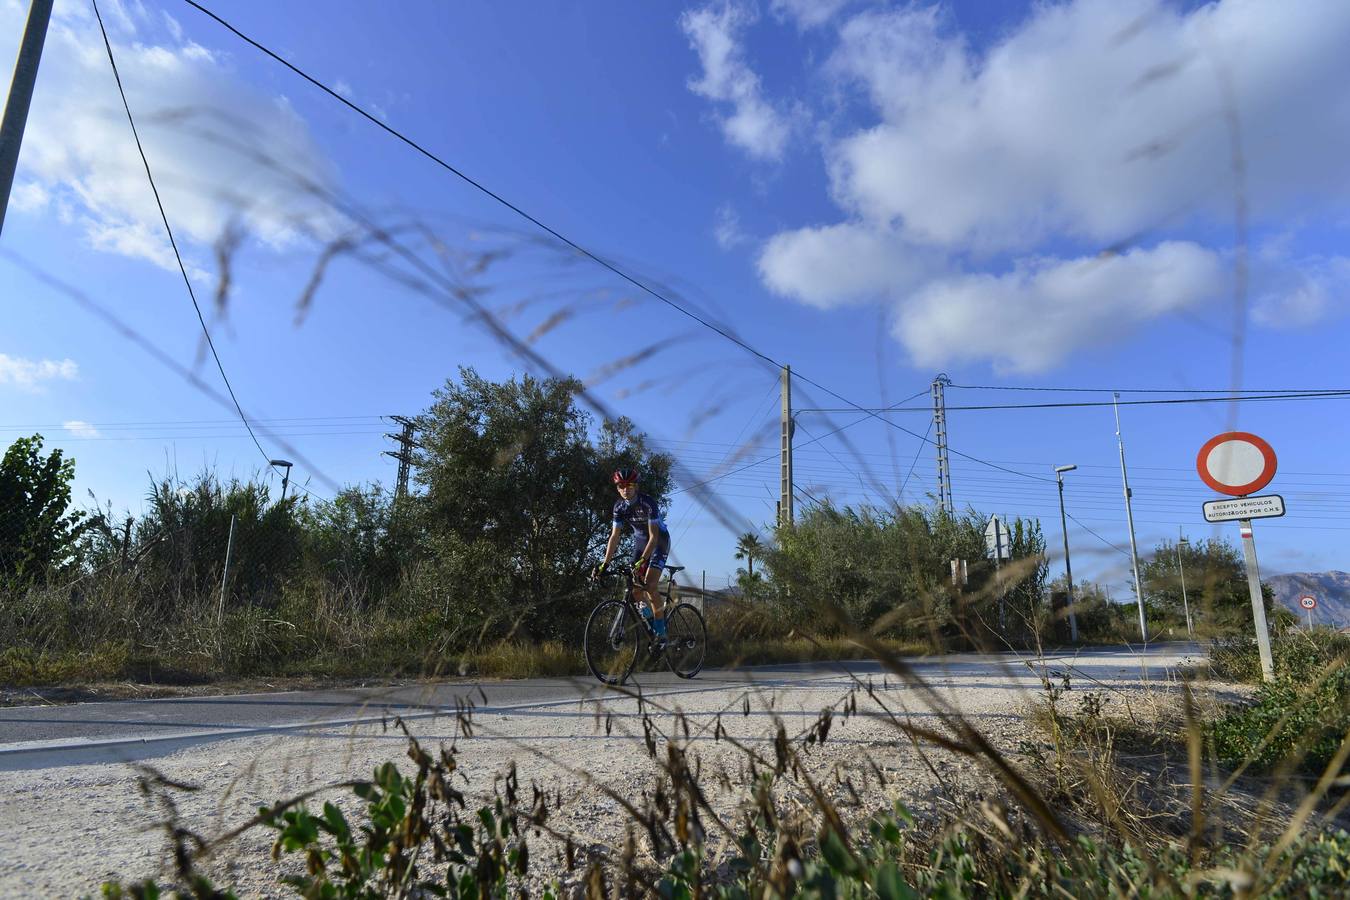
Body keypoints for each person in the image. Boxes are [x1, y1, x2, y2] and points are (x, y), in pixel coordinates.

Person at [594, 466, 671, 642]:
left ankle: (661, 632)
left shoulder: (648, 503)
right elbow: (614, 536)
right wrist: (604, 564)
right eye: (621, 486)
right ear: (617, 488)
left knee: (650, 586)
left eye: (629, 485)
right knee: (635, 591)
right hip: (640, 543)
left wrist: (643, 561)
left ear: (636, 486)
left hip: (659, 542)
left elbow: (653, 536)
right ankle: (652, 623)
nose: (625, 489)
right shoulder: (619, 507)